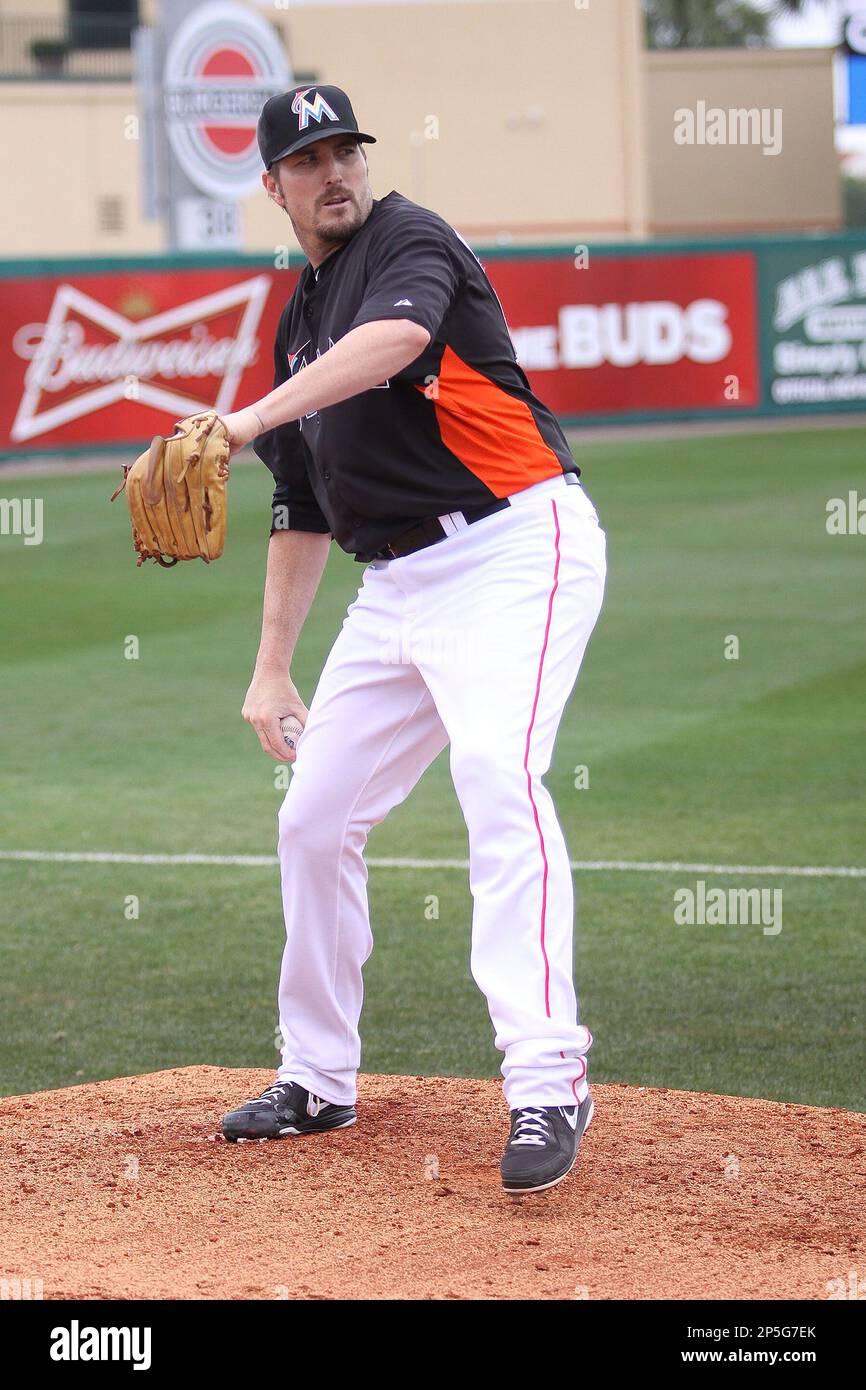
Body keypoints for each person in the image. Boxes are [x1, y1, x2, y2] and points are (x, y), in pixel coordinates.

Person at [219, 85, 607, 1194]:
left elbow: (392, 344)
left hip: (512, 544)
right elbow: (300, 510)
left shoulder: (409, 237)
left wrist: (246, 416)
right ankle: (319, 1073)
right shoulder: (297, 327)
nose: (333, 170)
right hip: (393, 586)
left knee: (496, 773)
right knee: (313, 815)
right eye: (308, 158)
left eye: (344, 149)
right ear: (275, 186)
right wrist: (269, 666)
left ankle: (545, 1077)